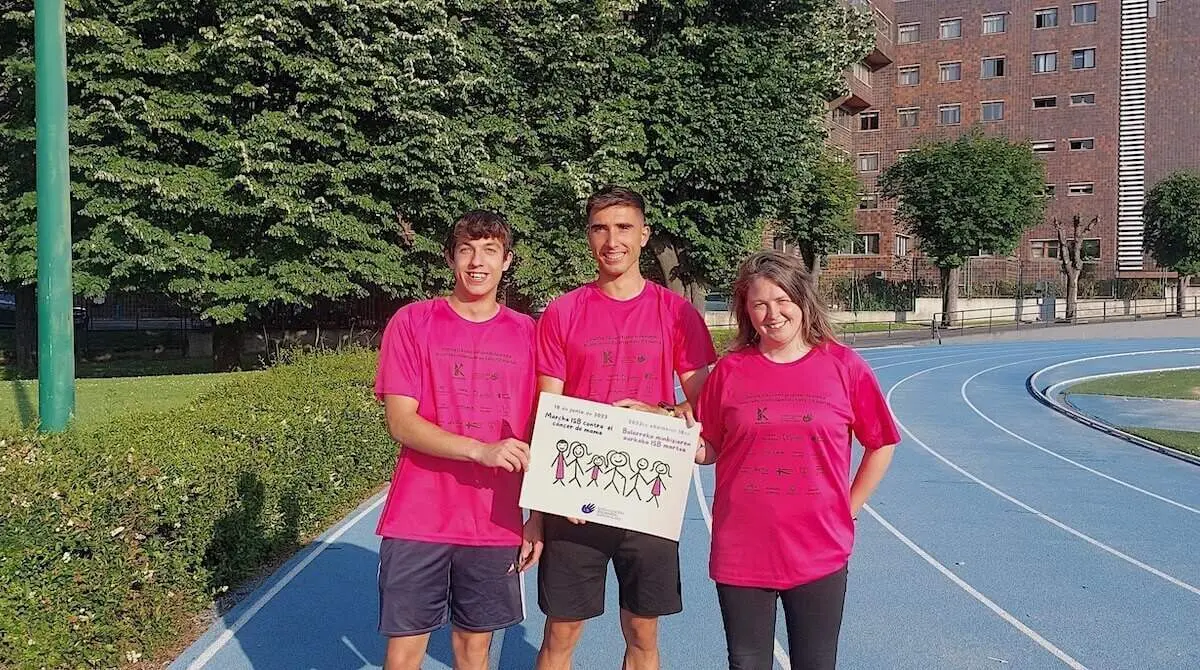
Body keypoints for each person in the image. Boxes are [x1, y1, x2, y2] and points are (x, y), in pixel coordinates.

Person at [531, 185, 718, 670]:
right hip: (577, 500)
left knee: (642, 634)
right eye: (600, 228)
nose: (612, 240)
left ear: (643, 235)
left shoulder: (675, 312)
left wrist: (664, 413)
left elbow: (704, 399)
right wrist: (551, 495)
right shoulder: (562, 311)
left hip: (647, 497)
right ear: (589, 237)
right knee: (561, 635)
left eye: (624, 227)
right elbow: (548, 408)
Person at [693, 250, 900, 670]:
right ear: (746, 311)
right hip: (742, 548)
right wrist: (665, 442)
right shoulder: (730, 371)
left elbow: (881, 442)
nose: (772, 314)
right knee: (745, 663)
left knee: (816, 663)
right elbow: (709, 447)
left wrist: (850, 506)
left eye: (782, 299)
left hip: (818, 547)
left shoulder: (845, 367)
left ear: (802, 300)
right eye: (759, 304)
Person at [373, 210, 544, 670]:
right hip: (418, 517)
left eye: (490, 250)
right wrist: (480, 450)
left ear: (507, 261)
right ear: (450, 257)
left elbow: (547, 430)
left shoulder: (529, 334)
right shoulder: (412, 322)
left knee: (475, 651)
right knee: (405, 652)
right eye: (466, 249)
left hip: (494, 522)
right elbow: (401, 422)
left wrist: (538, 518)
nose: (477, 262)